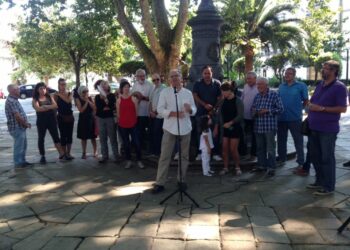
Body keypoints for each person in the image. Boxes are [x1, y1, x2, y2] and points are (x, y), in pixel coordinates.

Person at [151, 69, 197, 194]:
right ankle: (160, 183)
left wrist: (190, 110)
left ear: (181, 78)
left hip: (185, 128)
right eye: (172, 76)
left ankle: (181, 180)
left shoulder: (188, 93)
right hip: (169, 128)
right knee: (165, 156)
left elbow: (194, 109)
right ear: (169, 79)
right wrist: (173, 113)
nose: (174, 78)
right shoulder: (165, 92)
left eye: (177, 76)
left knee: (184, 157)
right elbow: (159, 109)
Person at [307, 60, 347, 195]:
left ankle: (328, 186)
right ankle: (319, 181)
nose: (323, 71)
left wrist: (322, 108)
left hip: (328, 129)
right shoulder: (320, 84)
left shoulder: (339, 87)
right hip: (313, 127)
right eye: (323, 68)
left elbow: (342, 108)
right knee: (314, 156)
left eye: (326, 69)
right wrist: (310, 106)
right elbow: (313, 101)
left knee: (327, 158)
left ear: (334, 71)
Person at [251, 77, 284, 176]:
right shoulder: (257, 96)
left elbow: (281, 109)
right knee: (260, 148)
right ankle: (261, 166)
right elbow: (252, 108)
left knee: (270, 148)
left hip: (269, 127)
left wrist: (267, 111)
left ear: (266, 85)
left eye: (260, 84)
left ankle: (271, 168)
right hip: (258, 127)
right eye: (258, 84)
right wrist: (255, 111)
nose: (258, 86)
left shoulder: (274, 95)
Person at [277, 68, 308, 168]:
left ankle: (300, 162)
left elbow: (306, 100)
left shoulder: (301, 86)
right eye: (286, 73)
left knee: (298, 141)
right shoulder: (281, 86)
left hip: (295, 119)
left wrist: (300, 110)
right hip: (281, 118)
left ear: (294, 75)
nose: (287, 75)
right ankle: (282, 159)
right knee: (281, 141)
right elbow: (277, 101)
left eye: (289, 74)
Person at [192, 65, 222, 161]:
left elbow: (220, 97)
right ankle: (200, 153)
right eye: (205, 73)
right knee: (200, 133)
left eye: (208, 73)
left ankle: (215, 153)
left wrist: (214, 108)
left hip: (213, 112)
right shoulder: (198, 83)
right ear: (202, 74)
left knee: (214, 133)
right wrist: (204, 105)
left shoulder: (217, 83)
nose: (207, 75)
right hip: (201, 112)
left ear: (212, 73)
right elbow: (195, 96)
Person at [32, 82, 65, 164]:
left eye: (44, 88)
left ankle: (62, 154)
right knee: (41, 138)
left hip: (52, 120)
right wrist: (49, 107)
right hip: (41, 121)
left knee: (56, 137)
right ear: (37, 90)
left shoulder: (49, 96)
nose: (43, 90)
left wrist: (46, 107)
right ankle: (42, 155)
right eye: (40, 89)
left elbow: (55, 106)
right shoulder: (35, 99)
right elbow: (38, 109)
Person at [216, 82, 244, 176]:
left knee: (233, 149)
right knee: (224, 149)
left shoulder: (238, 101)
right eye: (222, 92)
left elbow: (240, 115)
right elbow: (219, 114)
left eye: (224, 91)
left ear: (230, 91)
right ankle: (225, 167)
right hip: (224, 128)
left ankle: (237, 167)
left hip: (235, 127)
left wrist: (231, 123)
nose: (223, 93)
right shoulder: (222, 101)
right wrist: (217, 126)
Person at [116, 79, 144, 169]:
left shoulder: (133, 98)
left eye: (128, 87)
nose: (127, 89)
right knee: (126, 144)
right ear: (121, 89)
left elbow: (136, 112)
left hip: (133, 124)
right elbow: (118, 114)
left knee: (137, 143)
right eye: (125, 87)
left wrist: (134, 121)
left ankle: (139, 160)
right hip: (123, 125)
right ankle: (128, 161)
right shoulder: (119, 100)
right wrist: (120, 122)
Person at [5, 84, 33, 168]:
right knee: (19, 146)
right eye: (17, 89)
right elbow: (17, 116)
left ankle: (22, 161)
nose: (19, 90)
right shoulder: (11, 101)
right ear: (12, 91)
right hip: (17, 127)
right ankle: (18, 163)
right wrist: (26, 124)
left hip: (20, 127)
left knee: (23, 145)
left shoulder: (14, 99)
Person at [94, 80, 118, 163]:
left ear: (108, 86)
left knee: (113, 137)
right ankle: (104, 156)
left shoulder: (111, 96)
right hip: (100, 119)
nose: (104, 86)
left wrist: (105, 100)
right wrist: (105, 106)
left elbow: (111, 106)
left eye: (105, 84)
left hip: (110, 118)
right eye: (102, 85)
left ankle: (116, 156)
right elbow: (99, 107)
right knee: (102, 138)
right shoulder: (97, 97)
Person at [132, 69, 154, 153]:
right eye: (140, 76)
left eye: (143, 76)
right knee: (139, 131)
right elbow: (132, 96)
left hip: (148, 112)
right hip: (138, 113)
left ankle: (148, 149)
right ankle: (140, 149)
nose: (142, 77)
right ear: (136, 77)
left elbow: (152, 98)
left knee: (148, 132)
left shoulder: (150, 85)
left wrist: (142, 97)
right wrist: (135, 96)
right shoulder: (135, 85)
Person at [53, 78, 75, 160]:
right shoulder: (56, 95)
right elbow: (55, 107)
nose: (63, 86)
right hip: (61, 117)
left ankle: (68, 153)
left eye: (64, 84)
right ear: (58, 85)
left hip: (70, 117)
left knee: (69, 136)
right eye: (62, 84)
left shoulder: (70, 93)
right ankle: (64, 153)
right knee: (63, 136)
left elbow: (68, 101)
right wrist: (54, 117)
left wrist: (59, 94)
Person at [76, 86, 97, 159]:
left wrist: (88, 101)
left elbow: (94, 108)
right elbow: (81, 110)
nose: (86, 93)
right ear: (80, 92)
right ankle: (84, 153)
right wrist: (86, 102)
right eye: (84, 92)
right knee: (83, 137)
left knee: (93, 137)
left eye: (87, 91)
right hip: (83, 120)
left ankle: (95, 152)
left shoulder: (90, 98)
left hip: (91, 119)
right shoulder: (78, 99)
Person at [241, 72, 259, 160]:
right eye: (247, 79)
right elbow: (242, 98)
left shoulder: (259, 87)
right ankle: (243, 153)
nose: (248, 80)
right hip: (244, 116)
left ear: (255, 78)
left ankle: (253, 154)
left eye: (250, 79)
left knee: (254, 136)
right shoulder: (245, 86)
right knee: (243, 134)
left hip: (255, 117)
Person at [149, 73, 166, 156]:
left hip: (160, 116)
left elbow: (163, 103)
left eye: (157, 79)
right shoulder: (153, 89)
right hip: (153, 116)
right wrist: (150, 112)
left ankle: (159, 152)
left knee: (159, 135)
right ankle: (155, 152)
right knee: (154, 134)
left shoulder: (164, 89)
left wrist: (155, 112)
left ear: (160, 79)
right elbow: (150, 101)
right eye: (154, 80)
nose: (156, 81)